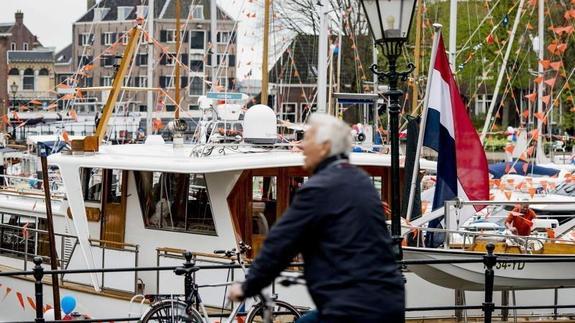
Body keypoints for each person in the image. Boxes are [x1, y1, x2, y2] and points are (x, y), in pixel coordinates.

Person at [228, 113, 405, 323]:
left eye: (309, 139)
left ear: (325, 147)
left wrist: (247, 287)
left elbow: (281, 243)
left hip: (352, 307)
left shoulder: (319, 189)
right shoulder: (361, 182)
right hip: (388, 301)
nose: (301, 146)